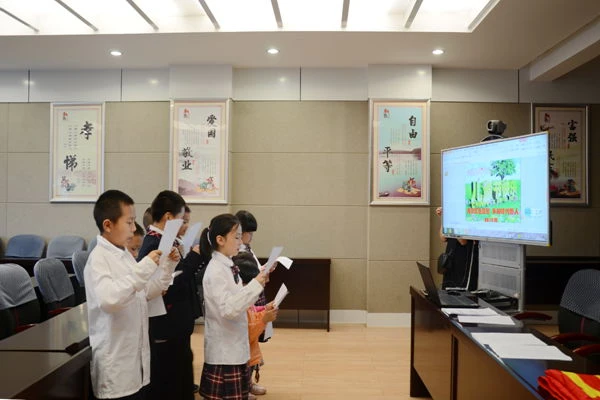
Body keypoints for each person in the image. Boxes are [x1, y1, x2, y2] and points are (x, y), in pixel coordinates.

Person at [85, 189, 179, 400]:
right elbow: (110, 300)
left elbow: (145, 292)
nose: (133, 228)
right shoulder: (98, 259)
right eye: (128, 222)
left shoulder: (124, 255)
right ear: (108, 225)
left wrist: (167, 267)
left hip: (135, 365)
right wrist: (145, 267)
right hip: (116, 367)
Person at [137, 191, 202, 400]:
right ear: (168, 217)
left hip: (177, 322)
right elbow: (167, 285)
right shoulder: (154, 243)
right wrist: (193, 258)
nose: (185, 225)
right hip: (167, 322)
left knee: (181, 372)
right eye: (182, 219)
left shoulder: (166, 241)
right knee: (169, 379)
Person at [199, 213, 268, 400]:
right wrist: (255, 286)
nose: (240, 241)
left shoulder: (228, 265)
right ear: (220, 240)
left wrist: (255, 287)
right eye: (236, 237)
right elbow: (228, 309)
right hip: (224, 352)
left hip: (234, 346)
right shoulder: (215, 271)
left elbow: (238, 299)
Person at [233, 251, 278, 399]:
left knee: (248, 368)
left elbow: (253, 311)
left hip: (249, 350)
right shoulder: (239, 300)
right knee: (242, 370)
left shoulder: (245, 297)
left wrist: (265, 308)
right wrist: (264, 319)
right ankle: (243, 391)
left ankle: (247, 386)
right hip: (240, 349)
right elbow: (248, 333)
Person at [436, 207, 479, 291]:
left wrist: (452, 218)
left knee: (461, 289)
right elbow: (443, 237)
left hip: (464, 258)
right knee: (447, 287)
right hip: (451, 258)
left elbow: (462, 241)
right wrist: (444, 218)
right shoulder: (454, 217)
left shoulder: (469, 215)